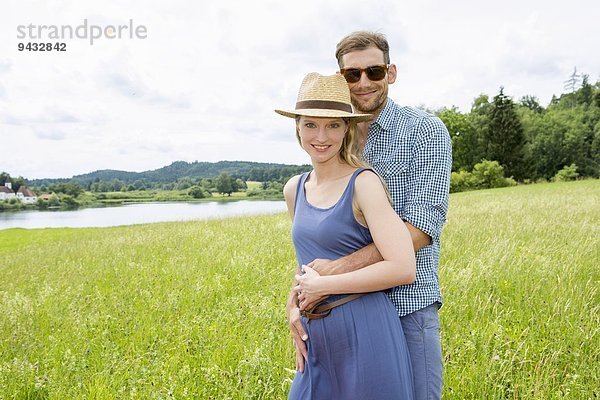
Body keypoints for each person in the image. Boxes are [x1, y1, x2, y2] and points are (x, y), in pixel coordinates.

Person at [286, 31, 452, 400]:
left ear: (390, 73)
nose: (363, 82)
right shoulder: (330, 142)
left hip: (406, 304)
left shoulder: (424, 132)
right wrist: (297, 297)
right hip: (332, 316)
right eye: (352, 74)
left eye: (374, 71)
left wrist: (331, 274)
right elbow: (317, 242)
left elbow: (422, 227)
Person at [277, 72, 417, 399]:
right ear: (297, 127)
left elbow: (402, 267)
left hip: (365, 329)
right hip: (316, 333)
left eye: (333, 125)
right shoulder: (294, 189)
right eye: (311, 124)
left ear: (347, 128)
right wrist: (292, 305)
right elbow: (308, 264)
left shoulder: (363, 183)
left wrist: (325, 286)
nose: (321, 136)